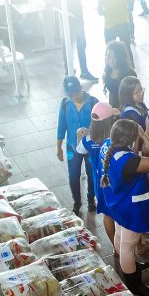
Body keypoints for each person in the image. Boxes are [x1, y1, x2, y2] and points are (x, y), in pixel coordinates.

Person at [100, 119, 149, 296]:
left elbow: (133, 155)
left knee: (121, 236)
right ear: (130, 138)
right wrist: (144, 135)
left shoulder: (108, 146)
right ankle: (135, 286)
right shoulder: (128, 161)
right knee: (128, 246)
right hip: (131, 207)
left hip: (117, 203)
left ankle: (129, 264)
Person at [76, 102, 119, 247]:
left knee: (108, 215)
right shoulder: (115, 138)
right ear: (109, 121)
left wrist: (79, 135)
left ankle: (115, 247)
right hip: (117, 181)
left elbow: (79, 150)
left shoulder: (87, 139)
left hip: (99, 184)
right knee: (120, 213)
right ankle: (125, 246)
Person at [56, 76, 99, 214]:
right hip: (72, 147)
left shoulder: (93, 102)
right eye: (71, 94)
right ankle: (77, 200)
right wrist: (59, 147)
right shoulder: (65, 104)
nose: (74, 96)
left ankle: (91, 198)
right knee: (73, 175)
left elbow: (102, 124)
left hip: (91, 146)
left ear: (81, 87)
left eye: (75, 93)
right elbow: (61, 127)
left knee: (92, 172)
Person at [102, 40, 135, 108]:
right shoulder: (107, 72)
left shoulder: (129, 74)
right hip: (113, 108)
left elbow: (134, 96)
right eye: (109, 56)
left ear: (121, 57)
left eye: (115, 57)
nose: (111, 60)